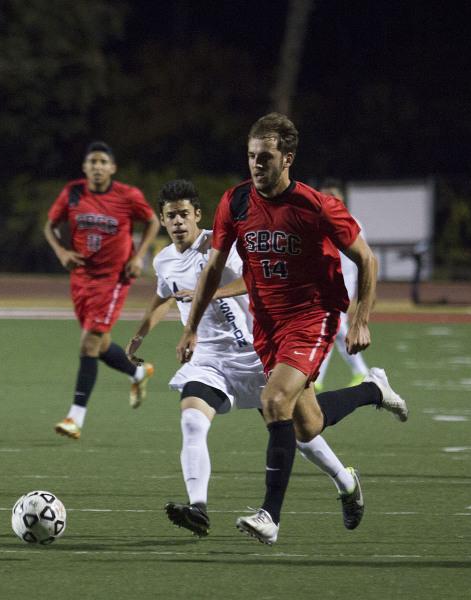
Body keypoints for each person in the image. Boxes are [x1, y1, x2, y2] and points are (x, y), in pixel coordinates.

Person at [175, 113, 409, 545]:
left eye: (265, 157)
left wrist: (359, 318)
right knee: (307, 425)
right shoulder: (236, 202)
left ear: (288, 159)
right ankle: (374, 390)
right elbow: (211, 268)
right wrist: (191, 328)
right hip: (267, 324)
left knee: (274, 400)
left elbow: (367, 260)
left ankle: (270, 516)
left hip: (313, 315)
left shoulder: (316, 206)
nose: (256, 165)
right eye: (250, 156)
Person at [44, 141, 160, 439]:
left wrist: (138, 257)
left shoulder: (127, 195)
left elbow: (152, 221)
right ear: (84, 167)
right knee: (100, 342)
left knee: (88, 344)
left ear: (112, 168)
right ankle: (138, 373)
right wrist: (61, 252)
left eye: (102, 162)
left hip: (114, 278)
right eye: (92, 161)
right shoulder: (73, 192)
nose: (97, 166)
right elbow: (50, 226)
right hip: (82, 277)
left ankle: (75, 418)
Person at [314, 180, 369, 391]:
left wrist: (363, 294)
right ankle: (319, 377)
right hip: (325, 284)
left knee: (333, 327)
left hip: (342, 285)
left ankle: (360, 371)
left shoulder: (351, 223)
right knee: (332, 328)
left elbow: (365, 258)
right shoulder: (319, 223)